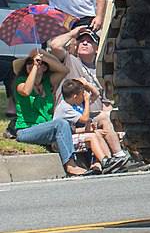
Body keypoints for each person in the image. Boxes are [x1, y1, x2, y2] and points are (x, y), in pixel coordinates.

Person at [49, 25, 140, 169]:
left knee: (111, 117)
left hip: (90, 118)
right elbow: (54, 45)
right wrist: (72, 33)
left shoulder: (101, 72)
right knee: (104, 118)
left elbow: (106, 102)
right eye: (81, 40)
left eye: (89, 41)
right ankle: (117, 157)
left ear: (97, 48)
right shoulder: (70, 61)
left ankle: (120, 158)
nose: (84, 43)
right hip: (72, 120)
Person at [12, 48, 90, 176]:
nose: (32, 64)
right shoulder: (20, 83)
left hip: (47, 129)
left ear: (45, 68)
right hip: (26, 130)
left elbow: (64, 70)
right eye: (28, 63)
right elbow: (26, 91)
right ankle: (70, 166)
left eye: (36, 62)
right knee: (61, 123)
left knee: (83, 129)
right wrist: (35, 66)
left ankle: (99, 163)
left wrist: (43, 56)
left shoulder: (48, 83)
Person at [54, 78, 117, 173]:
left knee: (97, 133)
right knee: (92, 137)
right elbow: (84, 119)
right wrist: (87, 101)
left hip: (69, 137)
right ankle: (105, 161)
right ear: (75, 96)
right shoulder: (65, 108)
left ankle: (101, 163)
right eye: (82, 94)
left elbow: (71, 130)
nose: (84, 96)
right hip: (63, 142)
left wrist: (86, 129)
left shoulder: (73, 104)